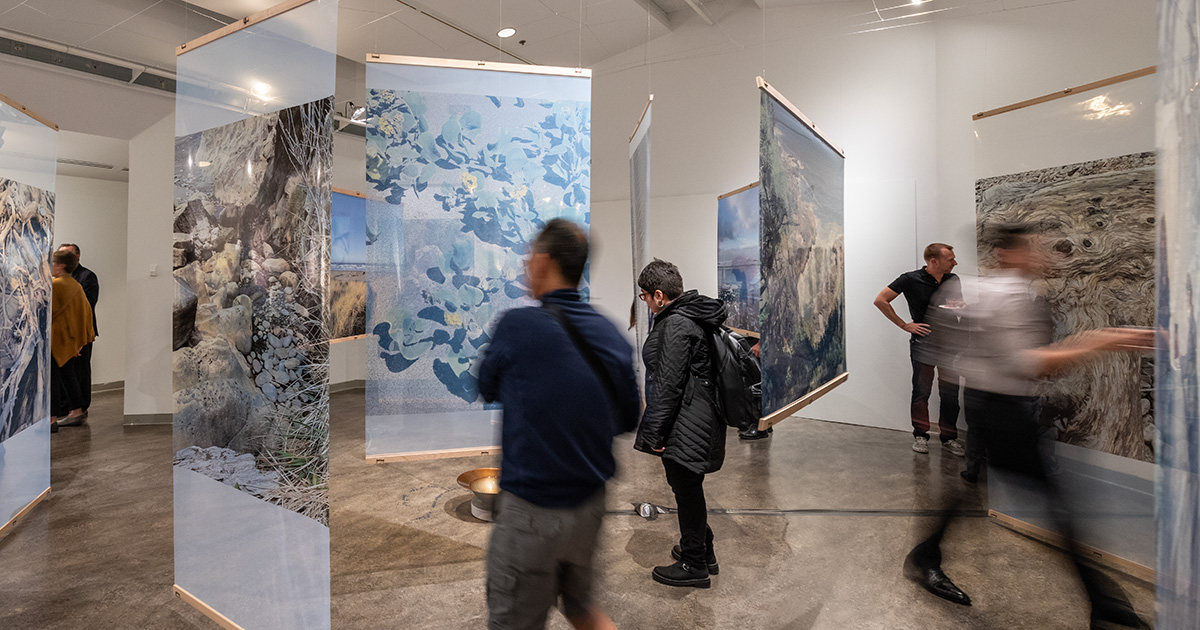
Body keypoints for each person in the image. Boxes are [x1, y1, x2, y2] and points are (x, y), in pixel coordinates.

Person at [904, 225, 1153, 629]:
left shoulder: (1006, 295)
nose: (1041, 256)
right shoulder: (1001, 297)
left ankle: (925, 555)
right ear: (1008, 254)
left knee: (981, 491)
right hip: (998, 408)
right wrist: (1104, 340)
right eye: (1031, 249)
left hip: (1002, 405)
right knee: (1056, 504)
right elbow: (1028, 363)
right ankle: (1102, 605)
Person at [478, 218, 639, 630]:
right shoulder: (611, 335)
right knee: (580, 607)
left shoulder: (517, 326)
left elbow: (486, 385)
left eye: (530, 256)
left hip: (531, 513)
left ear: (545, 262)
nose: (526, 265)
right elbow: (627, 419)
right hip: (590, 508)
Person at [633, 259, 727, 588]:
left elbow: (668, 386)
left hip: (686, 422)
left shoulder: (676, 325)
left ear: (659, 295)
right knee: (688, 489)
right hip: (696, 417)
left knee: (686, 491)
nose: (643, 301)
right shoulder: (691, 315)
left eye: (644, 295)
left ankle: (694, 564)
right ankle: (702, 550)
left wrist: (654, 433)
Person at [874, 243, 965, 456]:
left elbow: (958, 304)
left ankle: (949, 438)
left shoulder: (953, 279)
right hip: (924, 343)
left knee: (950, 393)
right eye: (950, 259)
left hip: (950, 343)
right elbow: (880, 300)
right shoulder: (910, 279)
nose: (955, 262)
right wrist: (905, 325)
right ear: (933, 261)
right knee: (922, 391)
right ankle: (920, 436)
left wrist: (960, 307)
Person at [50, 249, 96, 429]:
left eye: (52, 263)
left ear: (60, 266)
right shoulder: (75, 285)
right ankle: (76, 411)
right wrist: (79, 342)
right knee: (68, 375)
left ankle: (51, 419)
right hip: (69, 341)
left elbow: (48, 312)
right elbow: (85, 314)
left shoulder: (56, 285)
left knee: (53, 379)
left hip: (56, 340)